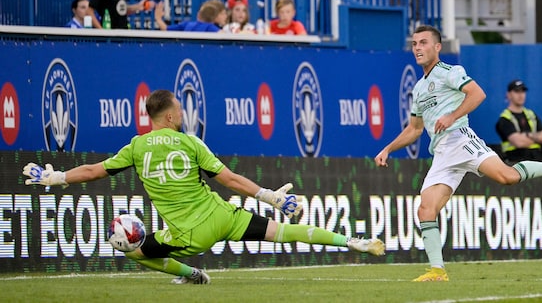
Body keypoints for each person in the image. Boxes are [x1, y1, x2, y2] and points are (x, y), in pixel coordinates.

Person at [22, 89, 385, 284]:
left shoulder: (136, 146)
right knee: (285, 230)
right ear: (169, 116)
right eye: (178, 110)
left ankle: (193, 275)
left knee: (131, 250)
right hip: (222, 215)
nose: (182, 114)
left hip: (190, 235)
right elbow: (228, 179)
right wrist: (270, 196)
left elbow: (92, 171)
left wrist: (55, 177)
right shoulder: (191, 143)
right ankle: (351, 241)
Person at [373, 25, 542, 282]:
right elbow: (414, 129)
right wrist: (388, 149)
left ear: (437, 47)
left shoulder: (450, 72)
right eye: (414, 44)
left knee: (507, 177)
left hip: (460, 139)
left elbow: (477, 94)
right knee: (425, 209)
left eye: (423, 43)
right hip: (442, 153)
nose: (418, 48)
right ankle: (437, 271)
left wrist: (452, 116)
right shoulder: (420, 88)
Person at [495, 79, 542, 164]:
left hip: (538, 160)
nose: (521, 95)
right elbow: (519, 142)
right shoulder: (505, 118)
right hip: (516, 163)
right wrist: (538, 138)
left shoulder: (531, 114)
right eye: (517, 91)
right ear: (509, 95)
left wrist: (529, 136)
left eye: (523, 91)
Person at [155, 0, 226, 32]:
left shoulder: (187, 24)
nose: (226, 16)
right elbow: (224, 36)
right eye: (223, 13)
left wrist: (158, 18)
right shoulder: (209, 27)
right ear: (215, 15)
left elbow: (166, 29)